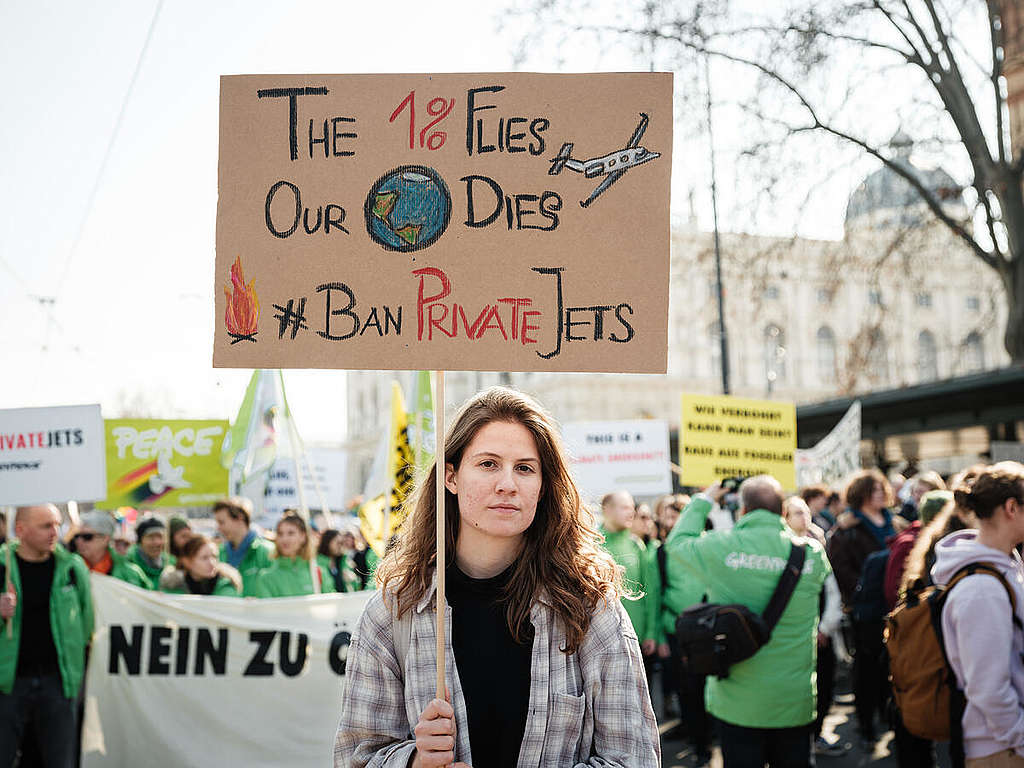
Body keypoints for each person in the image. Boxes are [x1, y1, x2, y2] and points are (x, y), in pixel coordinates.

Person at [335, 387, 660, 767]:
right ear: (452, 477)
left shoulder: (590, 607)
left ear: (542, 488)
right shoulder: (393, 614)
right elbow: (355, 758)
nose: (508, 483)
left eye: (524, 468)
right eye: (488, 464)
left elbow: (635, 758)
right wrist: (412, 762)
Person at [665, 476, 831, 768]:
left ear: (742, 511)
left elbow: (677, 543)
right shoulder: (812, 555)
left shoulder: (721, 547)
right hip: (793, 700)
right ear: (782, 512)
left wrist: (706, 498)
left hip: (738, 702)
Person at [932, 462, 1024, 766]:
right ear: (1011, 507)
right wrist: (1020, 736)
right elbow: (987, 687)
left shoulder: (1000, 570)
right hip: (1001, 748)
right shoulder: (982, 588)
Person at [0, 505, 94, 768]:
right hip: (8, 685)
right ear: (21, 530)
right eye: (46, 526)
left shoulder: (73, 567)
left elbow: (87, 622)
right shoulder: (2, 566)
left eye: (57, 524)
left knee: (60, 760)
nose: (55, 532)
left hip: (58, 683)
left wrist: (75, 673)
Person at [826, 468, 896, 746]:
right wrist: (862, 590)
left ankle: (886, 715)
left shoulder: (894, 522)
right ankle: (866, 724)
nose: (879, 493)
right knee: (867, 668)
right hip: (866, 609)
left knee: (890, 665)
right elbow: (840, 567)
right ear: (861, 494)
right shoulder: (848, 528)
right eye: (873, 489)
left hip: (893, 605)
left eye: (882, 488)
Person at [599, 490, 661, 659]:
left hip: (636, 640)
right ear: (607, 510)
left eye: (632, 508)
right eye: (625, 507)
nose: (632, 513)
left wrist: (651, 633)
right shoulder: (590, 543)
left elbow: (651, 592)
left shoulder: (636, 545)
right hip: (600, 641)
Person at [253, 512, 335, 597]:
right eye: (280, 534)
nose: (284, 539)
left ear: (303, 536)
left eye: (291, 533)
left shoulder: (320, 573)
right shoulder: (266, 578)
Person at [74, 511, 151, 589]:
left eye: (87, 537)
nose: (79, 541)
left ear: (105, 539)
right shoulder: (69, 570)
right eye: (77, 536)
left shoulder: (130, 573)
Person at [214, 497, 274, 597]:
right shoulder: (217, 553)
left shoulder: (267, 552)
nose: (218, 528)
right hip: (227, 612)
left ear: (240, 518)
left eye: (222, 522)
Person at [160, 534, 242, 596]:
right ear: (187, 562)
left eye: (214, 556)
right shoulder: (172, 590)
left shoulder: (228, 586)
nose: (211, 563)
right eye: (204, 558)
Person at [129, 514, 171, 589]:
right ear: (140, 541)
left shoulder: (171, 564)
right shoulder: (129, 563)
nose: (157, 542)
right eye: (151, 537)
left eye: (160, 537)